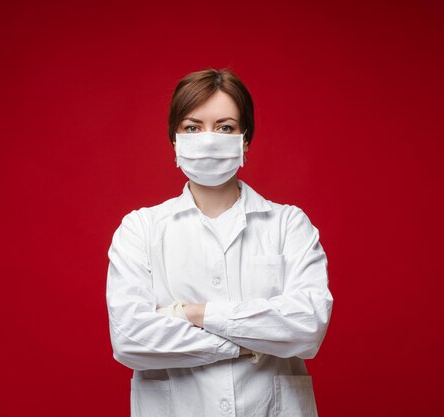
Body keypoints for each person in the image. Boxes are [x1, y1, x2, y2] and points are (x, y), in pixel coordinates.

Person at [106, 68, 334, 417]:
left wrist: (194, 314)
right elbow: (130, 339)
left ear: (245, 140)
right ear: (175, 141)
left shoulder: (289, 224)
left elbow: (307, 325)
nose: (209, 139)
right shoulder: (140, 228)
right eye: (192, 127)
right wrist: (246, 343)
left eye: (225, 127)